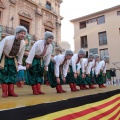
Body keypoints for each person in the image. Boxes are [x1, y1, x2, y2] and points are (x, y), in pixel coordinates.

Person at [0, 26, 27, 97]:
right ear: (17, 33)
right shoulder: (7, 39)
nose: (23, 35)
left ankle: (11, 92)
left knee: (12, 74)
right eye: (21, 33)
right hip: (4, 58)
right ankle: (5, 92)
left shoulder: (23, 43)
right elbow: (0, 48)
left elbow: (21, 53)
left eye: (24, 34)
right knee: (4, 74)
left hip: (13, 59)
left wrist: (19, 62)